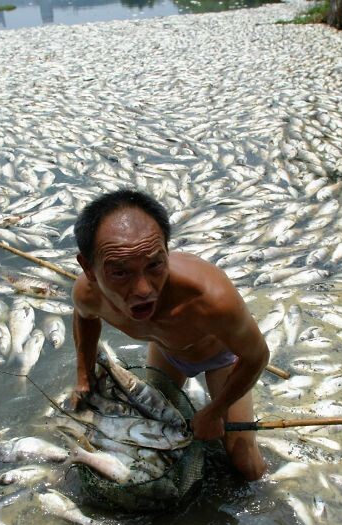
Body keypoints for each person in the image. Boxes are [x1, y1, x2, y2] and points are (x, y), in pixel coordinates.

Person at [68, 189, 269, 481]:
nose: (143, 290)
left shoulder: (211, 299)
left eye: (154, 265)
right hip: (166, 352)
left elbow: (257, 356)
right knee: (158, 436)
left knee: (245, 466)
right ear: (88, 267)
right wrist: (83, 377)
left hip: (220, 358)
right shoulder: (88, 294)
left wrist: (215, 411)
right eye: (120, 273)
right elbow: (84, 318)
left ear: (166, 249)